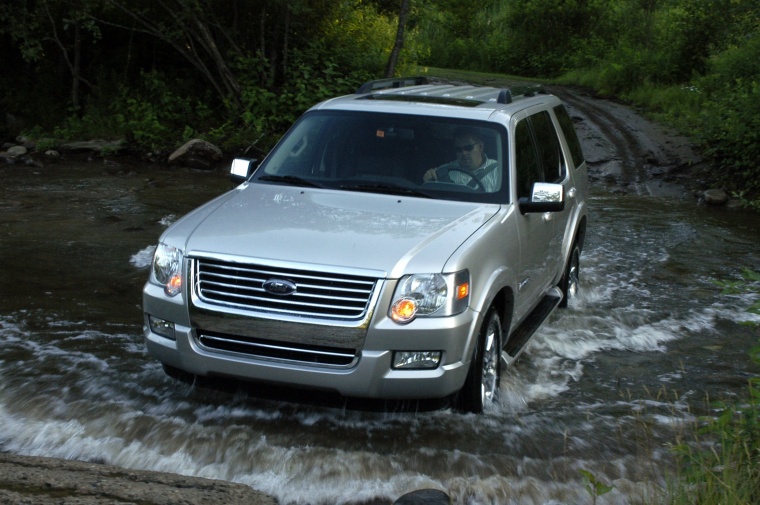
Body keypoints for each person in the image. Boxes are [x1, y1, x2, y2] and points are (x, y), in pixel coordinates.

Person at [423, 129, 500, 191]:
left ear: (481, 147)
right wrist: (429, 177)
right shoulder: (444, 171)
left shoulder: (499, 171)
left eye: (468, 148)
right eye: (458, 149)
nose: (463, 153)